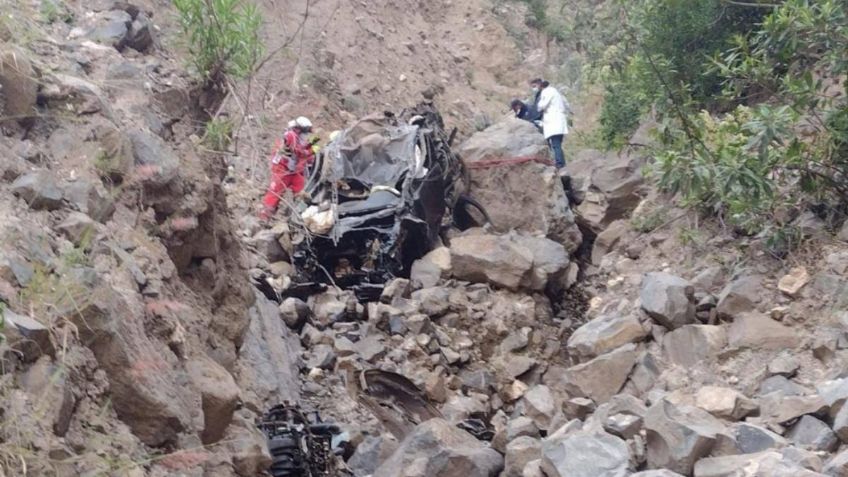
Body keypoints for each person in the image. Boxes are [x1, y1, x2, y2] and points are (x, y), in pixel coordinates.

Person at [260, 116, 317, 221]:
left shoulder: (299, 137)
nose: (306, 135)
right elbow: (297, 151)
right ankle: (264, 218)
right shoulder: (290, 135)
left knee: (301, 191)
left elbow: (303, 151)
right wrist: (311, 151)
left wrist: (311, 147)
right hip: (282, 169)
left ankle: (299, 215)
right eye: (306, 132)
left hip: (294, 170)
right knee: (275, 193)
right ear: (299, 130)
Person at [533, 79, 570, 170]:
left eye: (535, 86)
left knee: (555, 144)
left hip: (554, 122)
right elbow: (566, 104)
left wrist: (539, 105)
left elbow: (541, 106)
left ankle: (560, 164)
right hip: (559, 121)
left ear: (540, 85)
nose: (535, 89)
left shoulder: (547, 92)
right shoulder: (556, 91)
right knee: (557, 144)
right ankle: (561, 163)